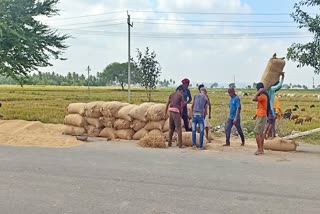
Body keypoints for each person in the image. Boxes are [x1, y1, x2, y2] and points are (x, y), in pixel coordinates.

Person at [264, 72, 285, 139]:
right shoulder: (272, 89)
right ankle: (267, 134)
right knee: (272, 123)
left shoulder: (265, 90)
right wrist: (283, 77)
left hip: (266, 109)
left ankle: (269, 135)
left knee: (268, 122)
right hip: (271, 110)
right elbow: (279, 85)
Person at [252, 82, 269, 155]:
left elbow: (253, 98)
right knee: (260, 133)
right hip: (261, 115)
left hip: (261, 116)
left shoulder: (262, 96)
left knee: (257, 132)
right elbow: (260, 107)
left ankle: (259, 149)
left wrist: (259, 91)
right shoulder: (264, 96)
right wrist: (256, 115)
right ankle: (261, 149)